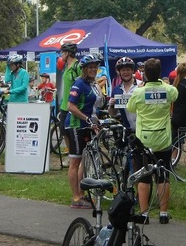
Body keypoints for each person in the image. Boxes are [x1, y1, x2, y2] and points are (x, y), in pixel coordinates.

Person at [127, 57, 178, 224]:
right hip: (163, 139)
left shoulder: (139, 92)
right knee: (163, 176)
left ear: (145, 74)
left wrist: (142, 87)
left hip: (145, 141)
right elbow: (175, 96)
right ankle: (163, 213)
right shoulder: (168, 90)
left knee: (144, 177)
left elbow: (130, 108)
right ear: (160, 72)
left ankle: (144, 213)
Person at [65, 55, 107, 209]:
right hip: (76, 125)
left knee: (85, 159)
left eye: (95, 67)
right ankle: (76, 198)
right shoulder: (79, 83)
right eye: (90, 67)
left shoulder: (93, 84)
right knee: (75, 161)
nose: (93, 70)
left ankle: (82, 194)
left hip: (89, 126)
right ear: (83, 69)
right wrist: (87, 118)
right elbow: (71, 106)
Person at [58, 43, 82, 151]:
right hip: (64, 105)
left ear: (67, 53)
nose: (61, 55)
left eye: (62, 52)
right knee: (64, 131)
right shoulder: (65, 67)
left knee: (75, 132)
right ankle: (71, 154)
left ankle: (78, 155)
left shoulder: (78, 66)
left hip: (74, 104)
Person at [108, 57, 138, 130]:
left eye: (128, 69)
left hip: (143, 129)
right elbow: (113, 114)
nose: (126, 72)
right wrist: (112, 105)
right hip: (127, 130)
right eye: (123, 70)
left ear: (132, 71)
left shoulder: (141, 85)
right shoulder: (116, 90)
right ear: (119, 72)